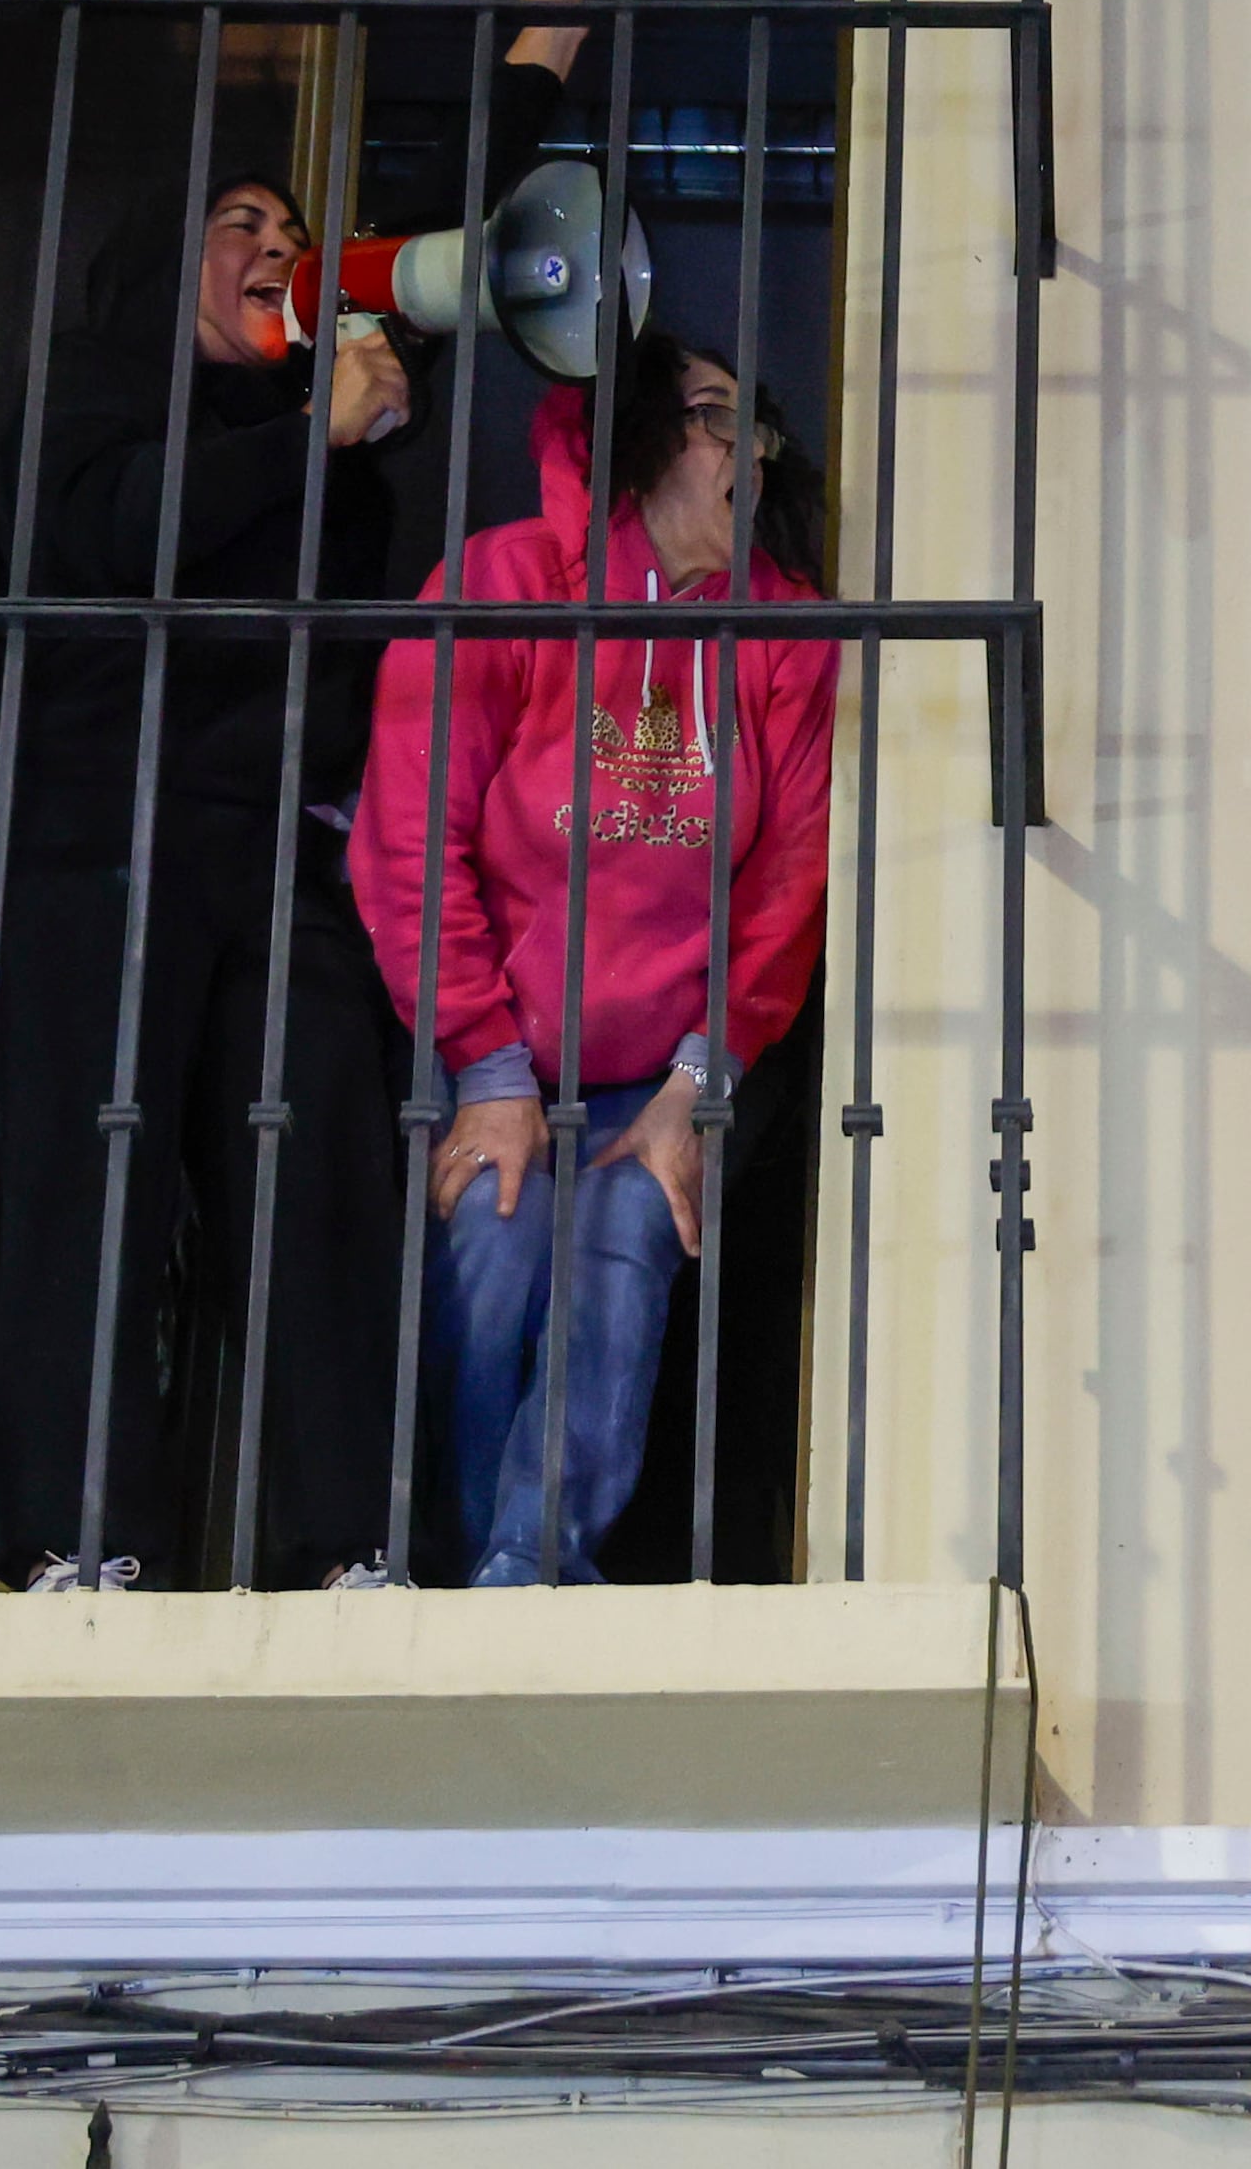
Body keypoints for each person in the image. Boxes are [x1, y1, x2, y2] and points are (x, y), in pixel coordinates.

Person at [0, 0, 582, 1592]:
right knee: (83, 1162)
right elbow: (117, 531)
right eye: (245, 227)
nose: (280, 252)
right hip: (72, 823)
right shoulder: (98, 386)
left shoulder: (329, 393)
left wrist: (536, 67)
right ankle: (75, 1537)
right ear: (169, 259)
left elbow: (432, 247)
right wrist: (309, 436)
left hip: (262, 838)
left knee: (316, 1150)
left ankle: (345, 1540)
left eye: (295, 236)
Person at [353, 328, 838, 1586]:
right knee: (493, 1247)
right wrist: (487, 1069)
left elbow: (788, 886)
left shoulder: (786, 630)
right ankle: (459, 1564)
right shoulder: (506, 579)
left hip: (671, 1065)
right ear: (642, 442)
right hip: (497, 1045)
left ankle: (534, 1570)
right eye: (716, 419)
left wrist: (696, 1087)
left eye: (755, 428)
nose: (749, 455)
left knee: (627, 1241)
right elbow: (409, 839)